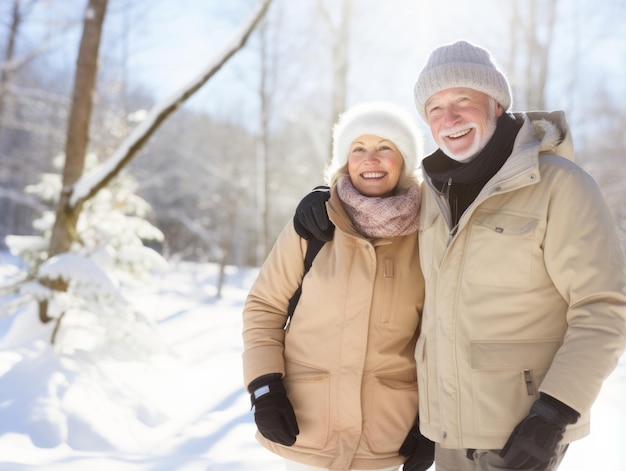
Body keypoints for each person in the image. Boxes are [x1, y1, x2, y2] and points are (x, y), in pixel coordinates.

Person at [293, 40, 626, 471]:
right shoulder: (431, 193)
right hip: (446, 429)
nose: (448, 119)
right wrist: (327, 198)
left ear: (497, 106)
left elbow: (604, 308)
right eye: (434, 108)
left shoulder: (560, 186)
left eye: (463, 100)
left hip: (523, 431)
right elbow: (378, 208)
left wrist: (555, 412)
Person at [242, 102, 435, 471]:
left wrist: (435, 420)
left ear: (405, 160)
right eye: (358, 148)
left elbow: (442, 333)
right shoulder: (313, 224)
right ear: (345, 160)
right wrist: (264, 386)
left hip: (386, 441)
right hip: (304, 432)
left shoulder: (431, 233)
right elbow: (264, 307)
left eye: (385, 148)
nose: (371, 159)